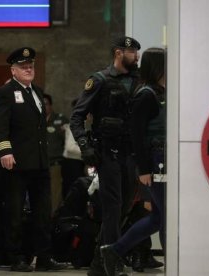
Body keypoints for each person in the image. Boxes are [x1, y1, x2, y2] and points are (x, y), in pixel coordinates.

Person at [0, 47, 67, 272]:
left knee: (43, 212)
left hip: (40, 163)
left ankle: (44, 256)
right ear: (13, 70)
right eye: (23, 66)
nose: (28, 69)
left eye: (31, 66)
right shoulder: (5, 92)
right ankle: (15, 257)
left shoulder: (37, 92)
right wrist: (4, 152)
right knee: (14, 212)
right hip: (17, 163)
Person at [70, 36, 141, 276]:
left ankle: (99, 263)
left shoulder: (140, 81)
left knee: (123, 209)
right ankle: (113, 263)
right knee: (113, 208)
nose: (137, 56)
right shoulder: (100, 80)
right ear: (119, 53)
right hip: (107, 154)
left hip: (131, 154)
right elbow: (77, 117)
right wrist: (84, 146)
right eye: (133, 52)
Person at [100, 47, 166, 276]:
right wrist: (144, 169)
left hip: (161, 160)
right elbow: (137, 135)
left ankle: (114, 251)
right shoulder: (146, 95)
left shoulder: (160, 93)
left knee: (158, 217)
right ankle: (174, 264)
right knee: (165, 216)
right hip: (155, 162)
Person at [43, 93, 69, 213]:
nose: (44, 107)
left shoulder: (60, 120)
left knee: (55, 194)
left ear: (51, 106)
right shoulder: (35, 121)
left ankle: (53, 221)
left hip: (55, 164)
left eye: (46, 104)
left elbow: (68, 141)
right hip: (38, 165)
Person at [61, 98, 86, 198]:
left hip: (78, 162)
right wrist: (89, 150)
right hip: (71, 163)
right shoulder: (75, 124)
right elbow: (70, 148)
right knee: (71, 192)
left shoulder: (81, 124)